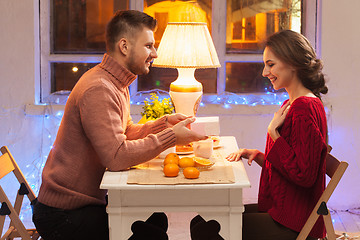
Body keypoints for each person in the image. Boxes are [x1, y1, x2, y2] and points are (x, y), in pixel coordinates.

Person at [32, 10, 206, 240]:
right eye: (148, 46)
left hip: (82, 204)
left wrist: (164, 124)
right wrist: (171, 137)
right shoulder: (100, 89)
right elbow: (116, 157)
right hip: (63, 214)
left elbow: (125, 133)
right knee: (153, 235)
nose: (154, 53)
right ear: (124, 46)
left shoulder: (115, 83)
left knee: (157, 218)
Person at [226, 30, 329, 240]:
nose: (265, 72)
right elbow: (295, 163)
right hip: (284, 211)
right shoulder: (294, 104)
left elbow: (305, 176)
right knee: (207, 221)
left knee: (209, 228)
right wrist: (261, 156)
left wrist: (274, 134)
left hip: (294, 222)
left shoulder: (303, 109)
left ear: (293, 63)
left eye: (271, 64)